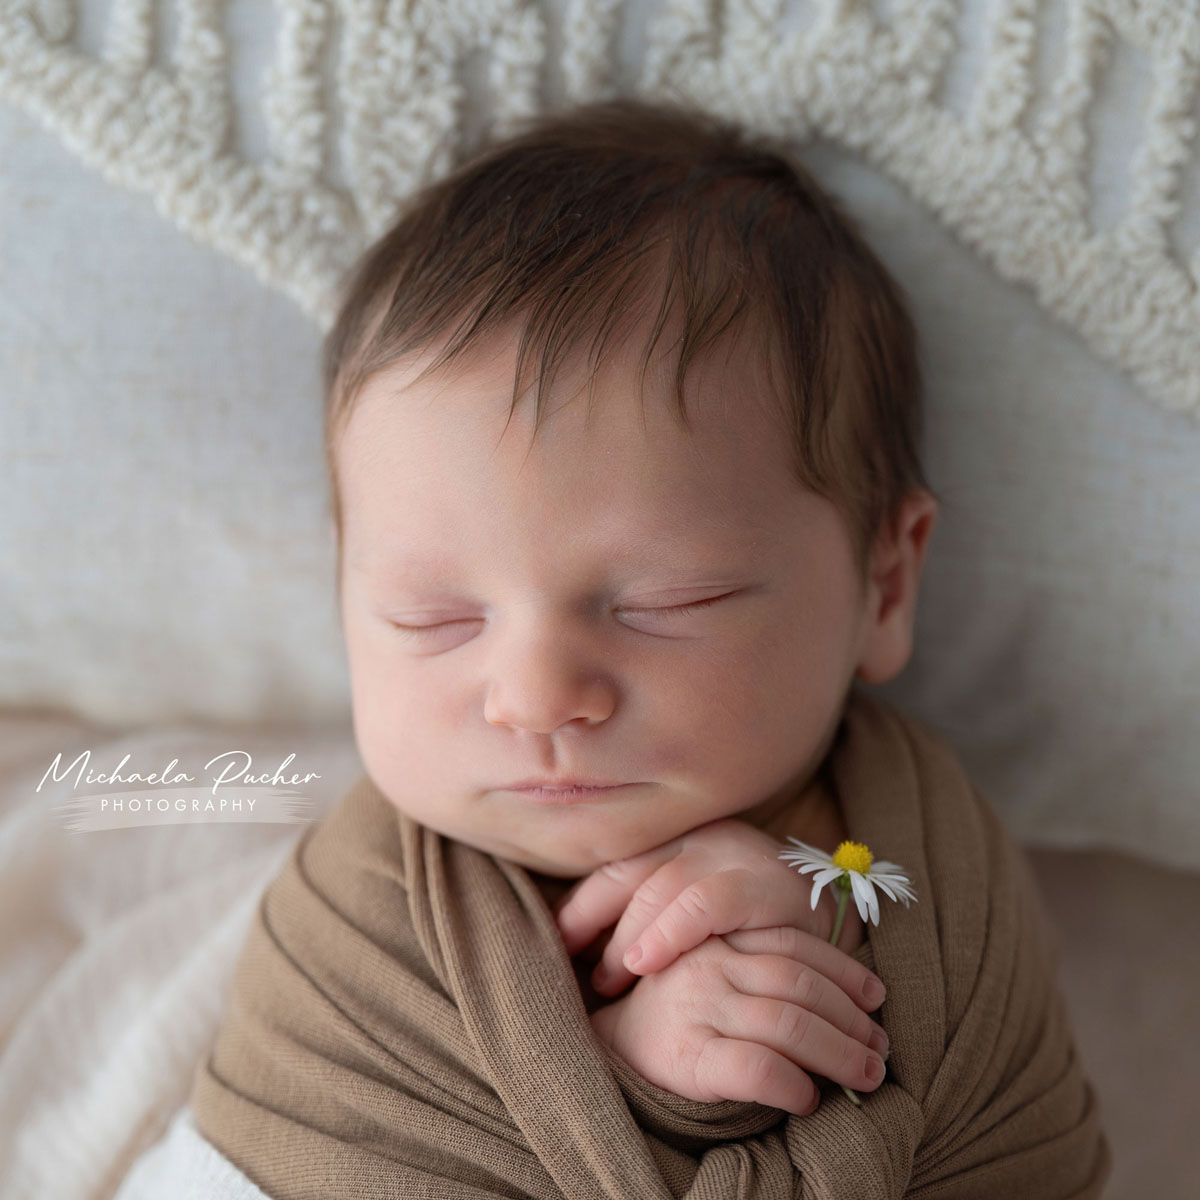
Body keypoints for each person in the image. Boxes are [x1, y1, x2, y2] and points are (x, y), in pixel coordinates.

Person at [188, 96, 1111, 1198]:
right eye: (432, 617)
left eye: (665, 601)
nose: (534, 697)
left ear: (886, 580)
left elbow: (978, 1107)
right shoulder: (363, 920)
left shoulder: (916, 861)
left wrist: (808, 971)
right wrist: (628, 1069)